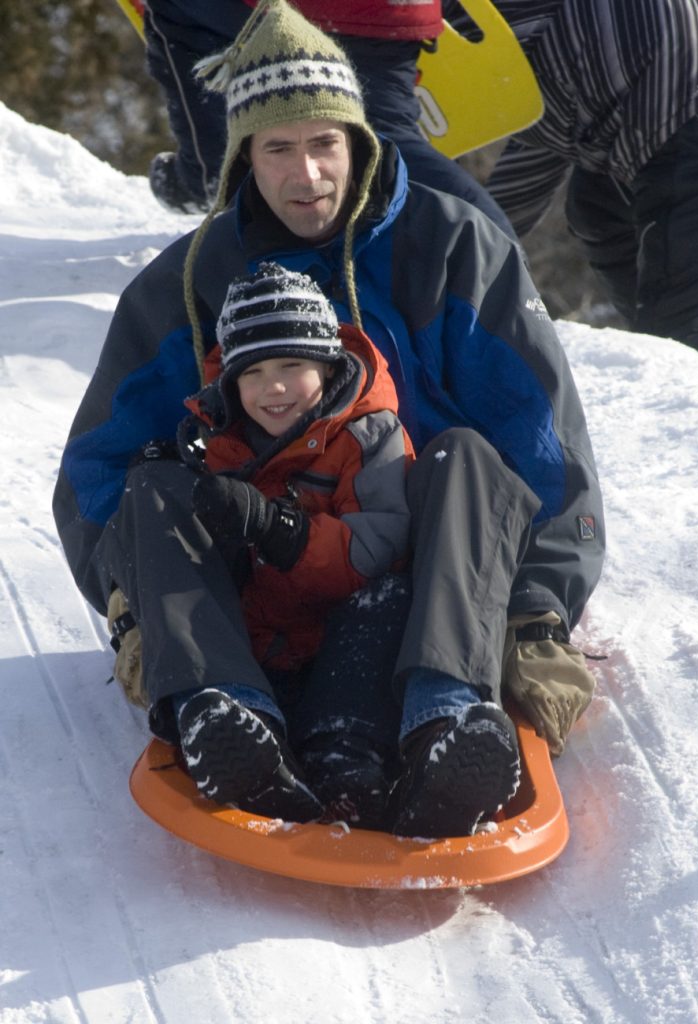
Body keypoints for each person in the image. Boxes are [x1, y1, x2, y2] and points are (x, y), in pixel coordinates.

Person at [54, 0, 605, 839]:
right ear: (245, 157)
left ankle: (445, 720)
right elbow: (98, 470)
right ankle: (224, 710)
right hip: (255, 589)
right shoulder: (186, 283)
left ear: (360, 142)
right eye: (278, 148)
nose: (305, 174)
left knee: (463, 453)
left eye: (324, 144)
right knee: (157, 483)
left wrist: (535, 609)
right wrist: (133, 608)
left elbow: (544, 444)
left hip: (425, 584)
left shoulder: (454, 249)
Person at [170, 259, 414, 828]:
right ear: (231, 382)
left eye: (292, 365)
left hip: (345, 651)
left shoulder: (369, 435)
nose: (273, 387)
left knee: (389, 600)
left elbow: (383, 543)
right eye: (252, 374)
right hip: (263, 651)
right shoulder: (218, 443)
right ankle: (242, 737)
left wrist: (283, 532)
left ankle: (345, 764)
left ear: (327, 370)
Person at [443, 0, 698, 377]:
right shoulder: (513, 44)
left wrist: (452, 264)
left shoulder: (443, 39)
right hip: (689, 74)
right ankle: (656, 345)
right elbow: (532, 148)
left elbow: (516, 185)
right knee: (598, 206)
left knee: (693, 338)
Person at [143, 0, 514, 233]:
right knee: (379, 128)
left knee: (378, 132)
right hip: (398, 13)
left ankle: (207, 175)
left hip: (339, 11)